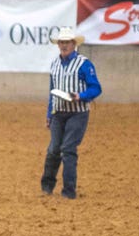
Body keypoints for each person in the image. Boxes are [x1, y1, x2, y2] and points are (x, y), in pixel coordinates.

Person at [41, 26, 101, 200]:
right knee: (53, 149)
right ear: (58, 44)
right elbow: (52, 90)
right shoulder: (54, 64)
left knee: (67, 149)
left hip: (78, 113)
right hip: (58, 112)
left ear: (74, 44)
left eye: (67, 42)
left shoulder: (84, 64)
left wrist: (80, 96)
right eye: (62, 42)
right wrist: (49, 114)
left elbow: (96, 88)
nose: (64, 45)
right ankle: (47, 185)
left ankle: (68, 190)